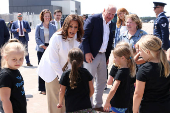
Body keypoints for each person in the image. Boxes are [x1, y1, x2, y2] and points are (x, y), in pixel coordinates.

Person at [37, 14, 84, 113]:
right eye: (71, 26)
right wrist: (63, 78)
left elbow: (74, 59)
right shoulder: (56, 37)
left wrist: (71, 76)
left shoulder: (77, 38)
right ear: (66, 25)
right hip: (52, 70)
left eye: (76, 27)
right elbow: (53, 61)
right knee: (56, 101)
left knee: (65, 100)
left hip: (65, 70)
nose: (73, 29)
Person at [79, 4, 116, 111]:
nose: (110, 16)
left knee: (102, 80)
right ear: (104, 10)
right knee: (89, 80)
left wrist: (107, 56)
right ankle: (88, 105)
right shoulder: (93, 19)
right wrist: (87, 52)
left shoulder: (111, 23)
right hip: (91, 55)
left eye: (113, 15)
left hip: (103, 55)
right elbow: (84, 36)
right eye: (109, 13)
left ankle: (97, 104)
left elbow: (109, 41)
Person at [133, 35, 170, 113]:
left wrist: (134, 111)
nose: (139, 53)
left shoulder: (144, 70)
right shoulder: (168, 65)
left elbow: (138, 94)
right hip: (166, 107)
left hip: (148, 108)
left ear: (147, 51)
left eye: (140, 51)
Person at [57, 48, 95, 112]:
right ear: (82, 60)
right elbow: (92, 90)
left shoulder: (66, 74)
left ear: (68, 60)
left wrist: (60, 103)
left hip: (71, 108)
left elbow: (62, 91)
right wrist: (86, 98)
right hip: (86, 107)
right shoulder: (86, 72)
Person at [104, 44, 136, 113]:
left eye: (115, 57)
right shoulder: (129, 69)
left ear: (123, 58)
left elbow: (113, 89)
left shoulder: (121, 71)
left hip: (117, 103)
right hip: (125, 103)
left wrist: (107, 101)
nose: (114, 59)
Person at [0, 39, 27, 113]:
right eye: (14, 59)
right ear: (6, 57)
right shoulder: (5, 76)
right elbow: (5, 100)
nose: (18, 62)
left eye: (21, 59)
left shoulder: (15, 70)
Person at [35, 9, 57, 95]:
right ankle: (42, 88)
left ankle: (50, 87)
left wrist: (50, 47)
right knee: (42, 68)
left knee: (51, 68)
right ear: (43, 17)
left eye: (48, 16)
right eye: (46, 16)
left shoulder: (53, 26)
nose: (47, 17)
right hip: (41, 49)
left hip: (51, 48)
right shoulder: (38, 26)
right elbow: (37, 38)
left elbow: (55, 38)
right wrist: (44, 47)